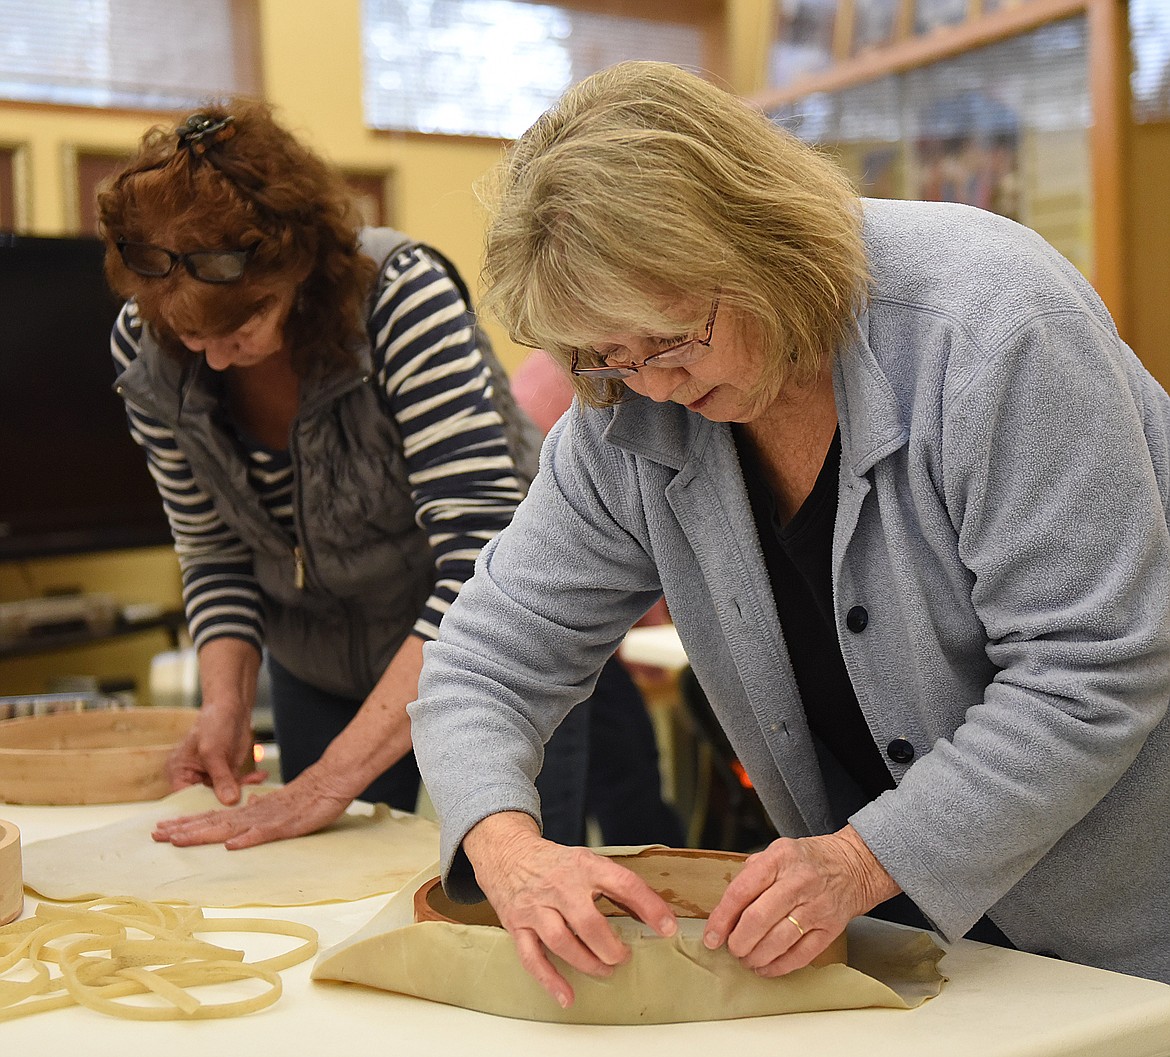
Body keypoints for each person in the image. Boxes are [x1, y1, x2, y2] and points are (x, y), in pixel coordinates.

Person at [407, 60, 1170, 1008]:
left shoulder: (992, 330)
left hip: (1130, 927)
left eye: (674, 336)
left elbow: (1091, 670)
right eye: (604, 356)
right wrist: (508, 848)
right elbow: (484, 663)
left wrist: (860, 859)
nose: (651, 386)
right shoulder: (624, 403)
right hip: (912, 942)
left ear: (760, 242)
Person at [96, 98, 603, 850]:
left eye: (241, 326)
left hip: (492, 653)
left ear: (297, 264)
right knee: (328, 891)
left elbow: (478, 564)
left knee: (511, 891)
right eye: (186, 333)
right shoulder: (145, 347)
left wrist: (331, 780)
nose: (212, 356)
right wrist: (224, 707)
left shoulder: (399, 299)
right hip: (320, 660)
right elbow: (213, 551)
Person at [510, 349, 686, 848]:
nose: (653, 385)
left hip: (568, 603)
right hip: (565, 607)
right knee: (620, 776)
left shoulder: (555, 371)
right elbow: (617, 540)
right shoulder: (577, 401)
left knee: (609, 775)